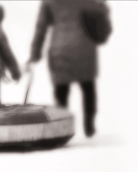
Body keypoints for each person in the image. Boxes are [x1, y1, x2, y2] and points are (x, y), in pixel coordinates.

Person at [27, 0, 111, 137]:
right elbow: (101, 11)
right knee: (88, 87)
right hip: (84, 48)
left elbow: (41, 27)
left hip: (60, 49)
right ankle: (89, 126)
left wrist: (35, 53)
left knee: (61, 90)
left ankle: (63, 125)